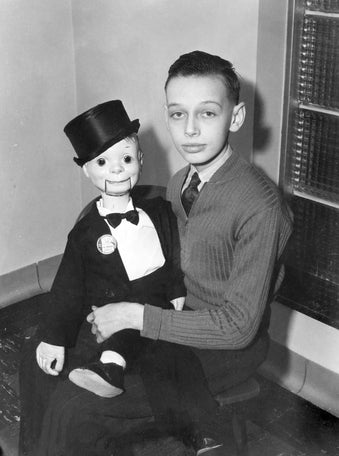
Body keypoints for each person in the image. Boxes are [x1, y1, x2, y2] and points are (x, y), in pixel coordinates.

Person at [19, 51, 293, 456]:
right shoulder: (183, 180)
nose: (192, 130)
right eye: (178, 114)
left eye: (208, 114)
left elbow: (237, 327)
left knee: (77, 407)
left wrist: (134, 316)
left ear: (235, 118)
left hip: (220, 347)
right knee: (38, 358)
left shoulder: (260, 206)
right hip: (166, 319)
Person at [19, 99, 221, 456]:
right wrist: (53, 338)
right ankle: (106, 372)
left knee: (176, 357)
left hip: (157, 306)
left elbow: (173, 258)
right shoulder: (85, 233)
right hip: (111, 314)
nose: (116, 170)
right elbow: (68, 287)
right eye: (102, 162)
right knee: (39, 359)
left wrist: (175, 291)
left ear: (140, 160)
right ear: (86, 171)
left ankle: (204, 434)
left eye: (126, 159)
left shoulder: (158, 211)